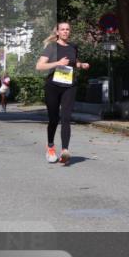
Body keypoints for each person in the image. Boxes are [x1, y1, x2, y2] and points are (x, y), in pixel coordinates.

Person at [36, 22, 90, 164]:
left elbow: (73, 62)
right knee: (54, 119)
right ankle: (50, 147)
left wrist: (81, 65)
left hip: (69, 86)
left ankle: (65, 150)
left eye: (67, 29)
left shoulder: (73, 47)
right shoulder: (52, 47)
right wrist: (57, 63)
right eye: (62, 29)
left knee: (66, 117)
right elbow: (39, 66)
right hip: (53, 86)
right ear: (57, 32)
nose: (65, 32)